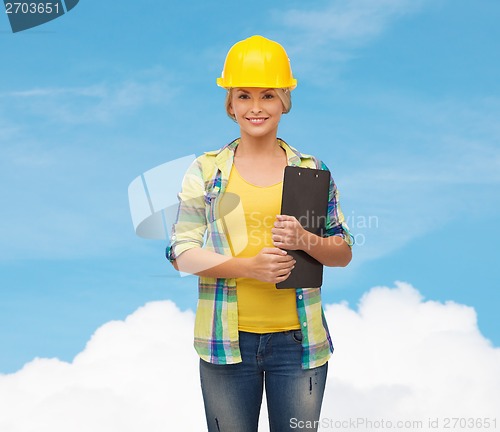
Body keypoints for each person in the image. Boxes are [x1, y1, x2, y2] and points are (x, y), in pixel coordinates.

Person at [166, 35, 353, 432]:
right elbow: (182, 252)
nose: (255, 107)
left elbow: (342, 251)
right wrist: (248, 267)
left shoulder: (311, 171)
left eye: (267, 95)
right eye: (244, 96)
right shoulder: (207, 171)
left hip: (299, 346)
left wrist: (306, 240)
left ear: (284, 101)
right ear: (230, 104)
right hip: (226, 344)